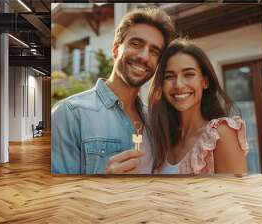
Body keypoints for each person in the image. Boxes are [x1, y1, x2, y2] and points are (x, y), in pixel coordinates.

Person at [51, 8, 176, 174]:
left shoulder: (153, 122)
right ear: (116, 48)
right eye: (136, 44)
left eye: (154, 52)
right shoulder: (69, 113)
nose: (144, 57)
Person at [148, 39, 249, 175]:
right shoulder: (163, 141)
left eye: (189, 74)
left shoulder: (220, 134)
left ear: (205, 81)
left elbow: (237, 195)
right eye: (169, 76)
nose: (178, 84)